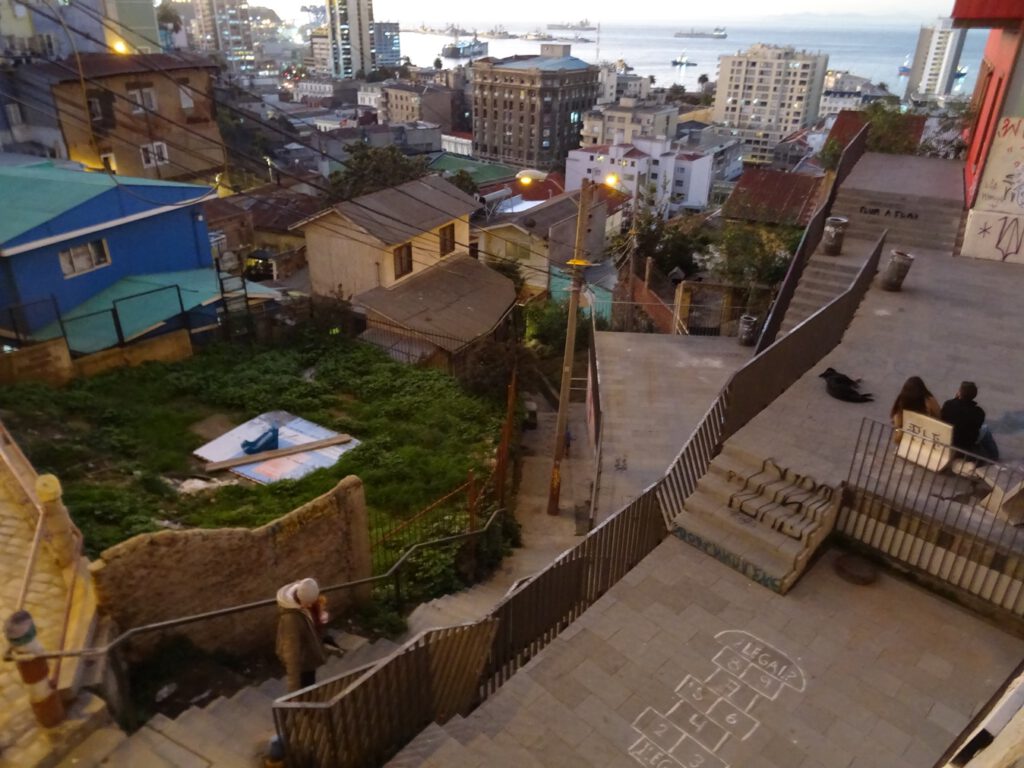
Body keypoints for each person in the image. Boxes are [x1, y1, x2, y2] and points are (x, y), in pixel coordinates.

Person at [276, 577, 327, 692]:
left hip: (307, 658)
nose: (310, 606)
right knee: (306, 691)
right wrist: (293, 692)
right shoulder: (291, 620)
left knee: (310, 687)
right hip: (302, 665)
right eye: (308, 603)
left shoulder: (300, 606)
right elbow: (291, 654)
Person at [941, 381, 1000, 461]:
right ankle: (994, 456)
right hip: (966, 443)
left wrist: (955, 399)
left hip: (949, 438)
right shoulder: (978, 412)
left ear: (959, 392)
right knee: (985, 429)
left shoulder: (948, 404)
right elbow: (977, 426)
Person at [890, 376, 941, 443]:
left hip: (907, 439)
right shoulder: (929, 400)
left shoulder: (901, 402)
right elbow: (938, 415)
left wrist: (898, 430)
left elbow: (897, 431)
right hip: (926, 436)